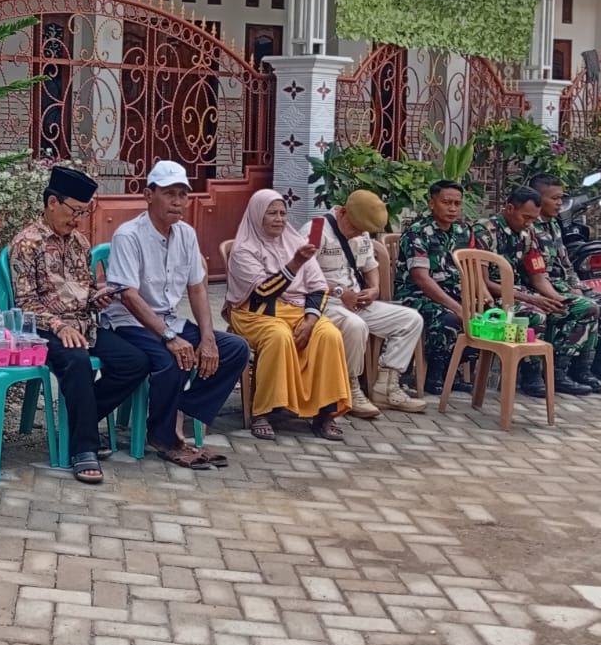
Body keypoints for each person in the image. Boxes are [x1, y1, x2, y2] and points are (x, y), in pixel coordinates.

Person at [97, 161, 249, 468]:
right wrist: (170, 337)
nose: (177, 201)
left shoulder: (186, 234)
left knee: (235, 349)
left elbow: (197, 289)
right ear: (148, 195)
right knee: (172, 359)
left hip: (168, 320)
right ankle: (164, 437)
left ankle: (177, 413)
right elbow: (129, 296)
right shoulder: (129, 235)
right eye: (169, 193)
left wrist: (207, 338)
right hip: (130, 322)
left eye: (183, 194)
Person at [7, 166, 149, 484]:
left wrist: (97, 297)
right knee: (77, 360)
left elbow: (83, 291)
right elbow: (24, 303)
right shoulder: (26, 244)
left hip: (84, 325)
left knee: (136, 361)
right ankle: (84, 447)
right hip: (43, 330)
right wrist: (59, 326)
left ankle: (78, 422)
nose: (77, 220)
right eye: (74, 211)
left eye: (83, 213)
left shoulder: (80, 243)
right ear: (52, 202)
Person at [225, 191, 353, 441]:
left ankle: (324, 414)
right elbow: (262, 292)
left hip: (296, 310)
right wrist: (294, 264)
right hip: (254, 313)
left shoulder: (295, 242)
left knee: (329, 335)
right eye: (271, 213)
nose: (279, 219)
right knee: (278, 336)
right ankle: (262, 411)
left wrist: (310, 320)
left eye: (283, 213)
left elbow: (318, 286)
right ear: (257, 215)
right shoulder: (244, 249)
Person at [475, 186, 597, 399]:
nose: (529, 223)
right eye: (526, 217)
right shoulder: (485, 231)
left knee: (585, 307)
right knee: (535, 314)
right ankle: (531, 376)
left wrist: (558, 299)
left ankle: (559, 371)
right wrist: (532, 299)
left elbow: (538, 276)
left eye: (533, 218)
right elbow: (483, 281)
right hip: (494, 297)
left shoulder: (528, 232)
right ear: (510, 208)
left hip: (522, 292)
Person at [316, 190, 427, 417]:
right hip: (325, 303)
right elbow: (302, 276)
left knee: (411, 319)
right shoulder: (316, 230)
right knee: (355, 325)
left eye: (362, 230)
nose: (358, 233)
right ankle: (349, 389)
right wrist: (339, 291)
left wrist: (374, 289)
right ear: (343, 212)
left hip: (357, 301)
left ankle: (386, 387)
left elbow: (370, 266)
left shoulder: (362, 232)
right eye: (354, 227)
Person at [530, 175, 601, 388]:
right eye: (555, 198)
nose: (560, 203)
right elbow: (534, 275)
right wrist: (569, 292)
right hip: (542, 289)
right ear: (538, 199)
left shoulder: (554, 225)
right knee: (587, 307)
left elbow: (566, 264)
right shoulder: (528, 226)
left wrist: (577, 286)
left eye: (561, 198)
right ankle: (560, 371)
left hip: (564, 286)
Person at [395, 181, 481, 395]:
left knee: (487, 316)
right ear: (432, 203)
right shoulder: (417, 232)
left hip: (451, 293)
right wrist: (458, 307)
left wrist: (479, 298)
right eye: (446, 202)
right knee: (449, 317)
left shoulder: (462, 232)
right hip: (416, 295)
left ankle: (452, 370)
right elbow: (422, 280)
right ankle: (434, 374)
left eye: (457, 204)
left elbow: (472, 267)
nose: (452, 208)